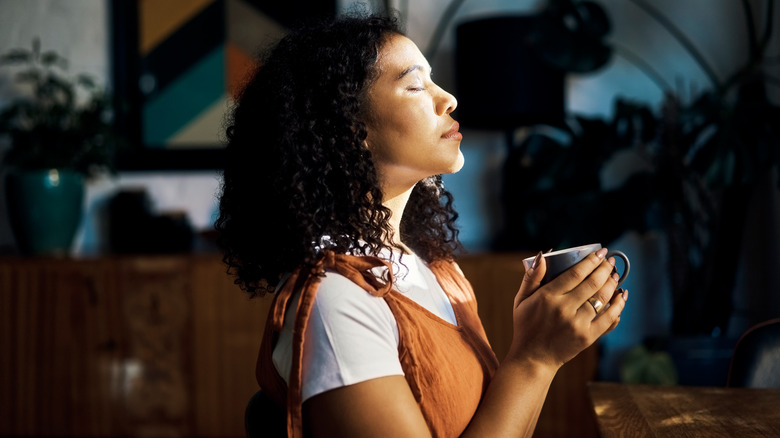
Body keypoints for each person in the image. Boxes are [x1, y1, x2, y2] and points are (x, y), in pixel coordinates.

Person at [215, 12, 628, 438]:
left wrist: (540, 351)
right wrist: (535, 359)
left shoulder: (435, 269)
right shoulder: (336, 302)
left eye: (434, 81)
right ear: (351, 127)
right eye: (415, 85)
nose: (448, 98)